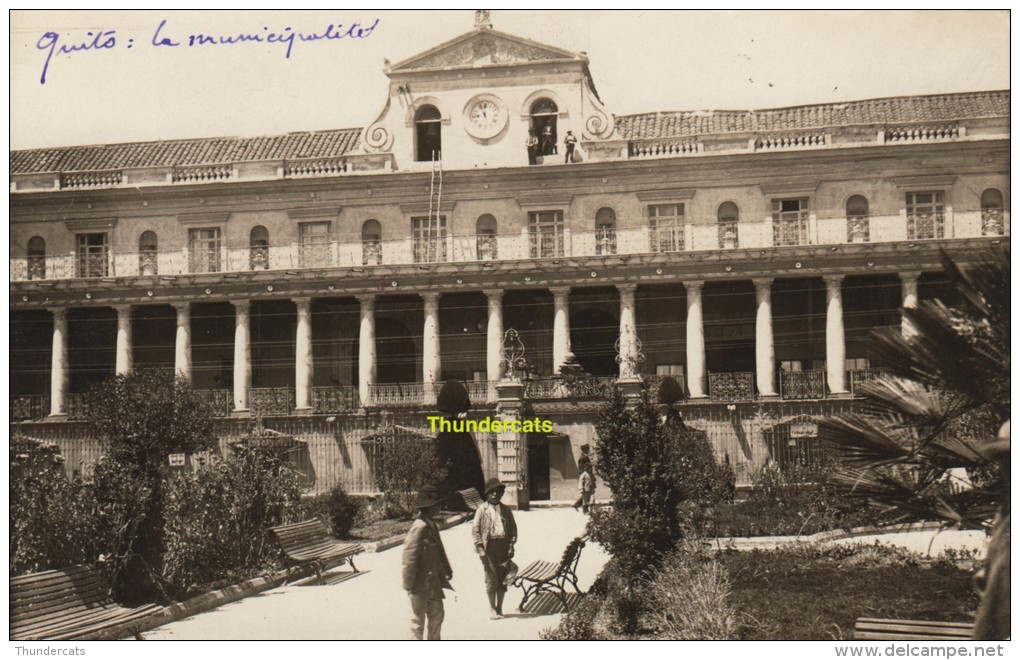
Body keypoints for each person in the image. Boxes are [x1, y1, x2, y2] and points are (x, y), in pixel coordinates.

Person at [402, 484, 454, 640]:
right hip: (419, 584)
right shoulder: (419, 527)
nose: (440, 507)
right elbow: (408, 558)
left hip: (433, 583)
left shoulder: (431, 524)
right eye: (437, 504)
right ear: (429, 506)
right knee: (417, 622)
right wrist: (409, 585)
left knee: (437, 615)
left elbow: (439, 550)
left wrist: (447, 569)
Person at [472, 478, 518, 619]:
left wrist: (511, 545)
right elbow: (475, 530)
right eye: (491, 492)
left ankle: (499, 608)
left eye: (498, 492)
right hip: (489, 548)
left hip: (503, 547)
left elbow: (513, 529)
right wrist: (480, 548)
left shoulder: (506, 510)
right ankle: (492, 608)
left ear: (501, 494)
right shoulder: (482, 510)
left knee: (502, 578)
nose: (494, 495)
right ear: (487, 494)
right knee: (491, 578)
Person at [572, 445, 592, 510]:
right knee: (586, 493)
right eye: (587, 449)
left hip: (587, 476)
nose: (588, 450)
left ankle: (577, 504)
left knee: (586, 493)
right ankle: (581, 506)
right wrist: (583, 478)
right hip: (584, 478)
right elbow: (581, 469)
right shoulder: (582, 458)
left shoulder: (585, 457)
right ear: (583, 450)